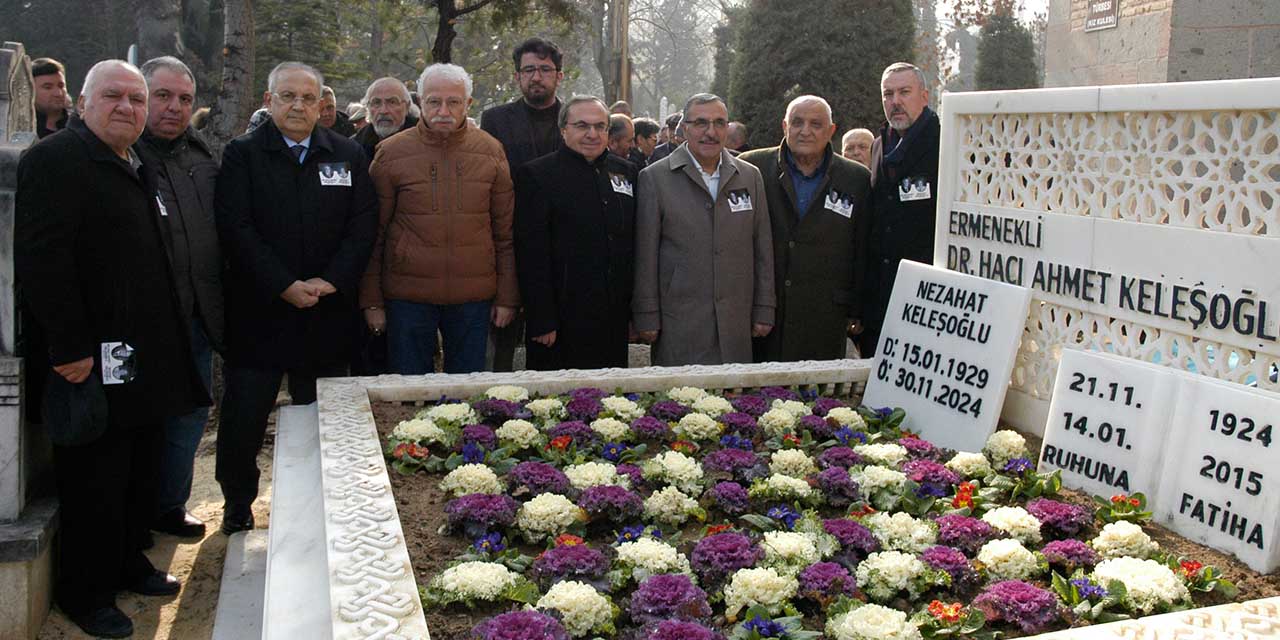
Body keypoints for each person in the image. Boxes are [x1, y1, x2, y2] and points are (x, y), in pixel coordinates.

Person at [16, 59, 208, 639]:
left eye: (136, 99)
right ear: (83, 102)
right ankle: (86, 592)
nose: (128, 107)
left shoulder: (136, 160)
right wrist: (69, 346)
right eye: (114, 97)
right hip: (91, 352)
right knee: (94, 475)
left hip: (144, 351)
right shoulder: (56, 161)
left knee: (139, 468)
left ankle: (128, 562)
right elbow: (44, 262)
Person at [214, 62, 377, 534]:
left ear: (322, 105)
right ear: (268, 102)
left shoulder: (346, 154)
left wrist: (332, 280)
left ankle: (322, 499)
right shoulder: (242, 154)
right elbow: (236, 228)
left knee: (322, 414)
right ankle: (238, 501)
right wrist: (283, 284)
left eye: (309, 98)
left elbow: (362, 225)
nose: (299, 106)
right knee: (245, 416)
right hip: (261, 311)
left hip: (326, 312)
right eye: (288, 96)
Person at [362, 63, 518, 374]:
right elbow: (372, 235)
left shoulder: (491, 152)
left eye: (454, 101)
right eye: (434, 101)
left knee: (467, 397)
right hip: (407, 299)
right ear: (420, 101)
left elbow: (505, 233)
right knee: (409, 397)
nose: (443, 110)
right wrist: (372, 302)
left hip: (473, 300)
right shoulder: (390, 154)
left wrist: (507, 296)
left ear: (468, 104)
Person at [133, 56, 225, 541]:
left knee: (190, 413)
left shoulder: (199, 156)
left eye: (184, 99)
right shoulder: (125, 155)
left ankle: (171, 504)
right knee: (144, 420)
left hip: (196, 314)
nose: (174, 108)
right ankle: (136, 516)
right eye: (162, 96)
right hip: (145, 321)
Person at [633, 93, 775, 366]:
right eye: (701, 123)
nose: (711, 132)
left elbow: (762, 248)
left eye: (719, 123)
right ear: (684, 128)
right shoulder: (655, 178)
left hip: (736, 320)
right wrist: (647, 314)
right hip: (680, 322)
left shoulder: (749, 176)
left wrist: (765, 307)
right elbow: (645, 255)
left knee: (736, 404)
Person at [740, 96, 871, 362]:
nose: (805, 131)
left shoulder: (856, 179)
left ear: (831, 131)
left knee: (816, 397)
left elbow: (862, 246)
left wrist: (856, 308)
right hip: (762, 313)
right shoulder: (751, 168)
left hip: (825, 314)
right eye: (797, 122)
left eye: (816, 124)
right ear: (784, 126)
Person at [514, 96, 636, 370]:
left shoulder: (627, 172)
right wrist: (541, 318)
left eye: (600, 126)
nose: (592, 134)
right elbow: (530, 253)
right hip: (561, 318)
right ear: (563, 129)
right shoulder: (537, 175)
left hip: (612, 316)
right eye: (582, 126)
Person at [480, 37, 565, 372]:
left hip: (559, 240)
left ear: (559, 75)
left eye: (545, 69)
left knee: (552, 338)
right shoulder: (496, 119)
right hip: (509, 235)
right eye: (529, 69)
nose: (536, 77)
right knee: (502, 333)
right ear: (517, 76)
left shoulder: (574, 118)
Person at [860, 62, 940, 356]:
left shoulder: (945, 142)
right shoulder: (879, 145)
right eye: (888, 94)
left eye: (904, 92)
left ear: (924, 96)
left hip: (927, 295)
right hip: (882, 295)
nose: (895, 102)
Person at [352, 77, 418, 159]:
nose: (383, 111)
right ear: (367, 107)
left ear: (407, 106)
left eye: (392, 102)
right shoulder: (355, 147)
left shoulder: (425, 139)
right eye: (376, 102)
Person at [32, 57, 71, 139]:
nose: (58, 93)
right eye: (48, 87)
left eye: (61, 86)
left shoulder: (79, 127)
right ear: (31, 90)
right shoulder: (18, 129)